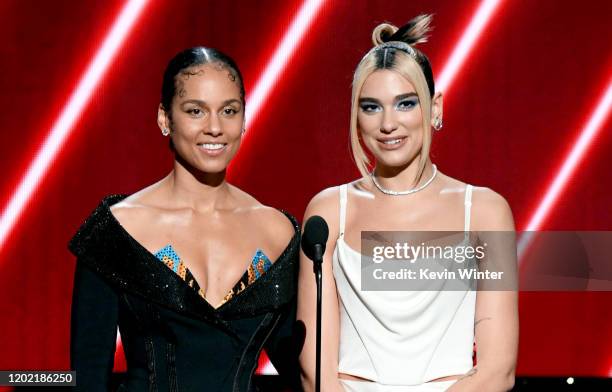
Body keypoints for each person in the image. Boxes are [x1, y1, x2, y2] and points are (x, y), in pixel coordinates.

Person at [297, 15, 518, 392]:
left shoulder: (483, 210)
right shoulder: (329, 211)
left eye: (405, 103)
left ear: (435, 108)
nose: (388, 123)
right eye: (370, 107)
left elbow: (498, 369)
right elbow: (315, 369)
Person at [69, 47, 301, 391]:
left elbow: (306, 371)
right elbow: (87, 379)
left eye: (229, 111)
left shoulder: (278, 233)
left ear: (244, 119)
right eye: (196, 111)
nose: (215, 128)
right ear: (165, 118)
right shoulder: (117, 231)